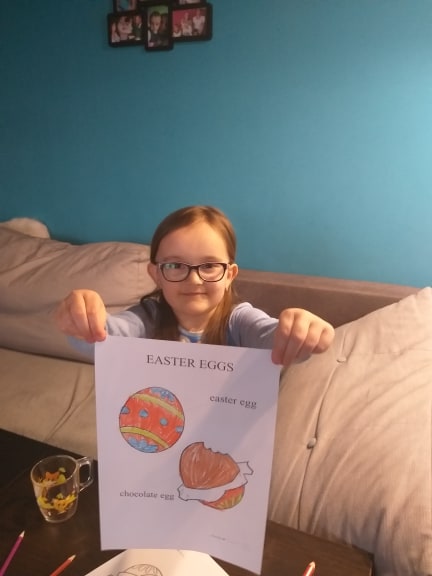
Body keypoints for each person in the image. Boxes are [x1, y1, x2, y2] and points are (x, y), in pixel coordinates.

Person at [55, 206, 335, 367]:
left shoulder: (239, 322)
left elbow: (270, 338)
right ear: (156, 274)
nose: (194, 280)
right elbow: (105, 340)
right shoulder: (147, 319)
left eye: (209, 265)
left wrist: (299, 333)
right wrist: (84, 321)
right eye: (175, 265)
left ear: (229, 275)